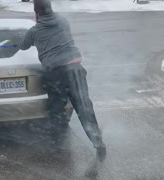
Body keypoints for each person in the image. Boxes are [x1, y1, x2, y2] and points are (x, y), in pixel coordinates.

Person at [17, 0, 107, 160]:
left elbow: (23, 46)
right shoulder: (63, 22)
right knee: (84, 108)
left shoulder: (35, 31)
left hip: (55, 74)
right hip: (76, 70)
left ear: (37, 13)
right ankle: (98, 142)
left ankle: (57, 148)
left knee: (56, 111)